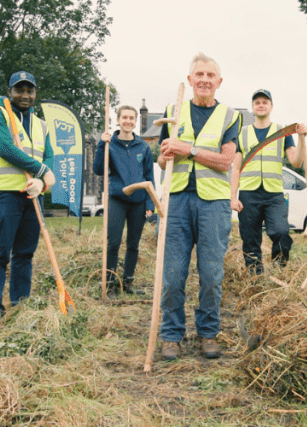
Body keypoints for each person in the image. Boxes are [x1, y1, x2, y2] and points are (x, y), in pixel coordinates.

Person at [157, 53, 241, 361]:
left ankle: (208, 333)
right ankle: (171, 335)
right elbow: (162, 159)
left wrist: (187, 150)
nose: (204, 79)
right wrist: (166, 154)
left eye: (210, 75)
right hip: (177, 201)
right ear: (190, 80)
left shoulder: (230, 116)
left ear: (219, 82)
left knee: (211, 274)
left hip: (214, 205)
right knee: (173, 274)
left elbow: (225, 160)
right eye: (199, 74)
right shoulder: (172, 111)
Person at [0, 71, 56, 322]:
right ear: (10, 91)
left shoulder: (41, 124)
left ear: (35, 93)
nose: (25, 95)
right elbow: (4, 148)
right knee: (0, 252)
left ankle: (21, 305)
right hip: (5, 194)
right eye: (19, 90)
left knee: (25, 253)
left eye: (29, 90)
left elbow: (48, 156)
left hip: (32, 194)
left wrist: (41, 181)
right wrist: (42, 171)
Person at [230, 89, 307, 276]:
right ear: (253, 107)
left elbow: (296, 162)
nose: (261, 105)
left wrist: (301, 139)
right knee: (250, 239)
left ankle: (278, 270)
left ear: (271, 106)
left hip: (274, 194)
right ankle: (255, 278)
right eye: (257, 102)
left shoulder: (282, 132)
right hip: (249, 194)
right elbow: (236, 167)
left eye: (265, 102)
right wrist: (233, 196)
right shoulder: (242, 133)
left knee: (281, 232)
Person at [94, 105, 155, 298]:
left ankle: (128, 282)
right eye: (124, 118)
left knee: (133, 245)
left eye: (132, 118)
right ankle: (110, 284)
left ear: (135, 121)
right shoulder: (110, 143)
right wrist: (101, 145)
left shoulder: (143, 147)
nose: (128, 121)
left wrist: (150, 204)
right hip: (117, 199)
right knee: (113, 243)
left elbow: (149, 177)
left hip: (138, 201)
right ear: (118, 120)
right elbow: (98, 169)